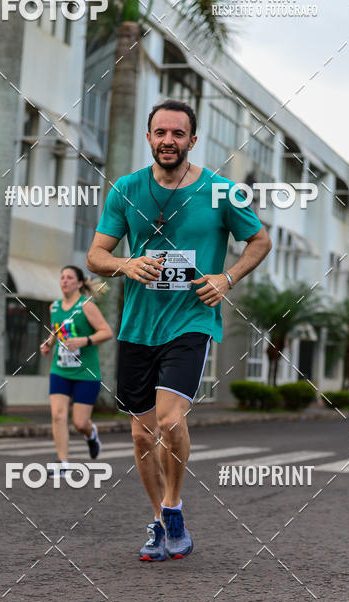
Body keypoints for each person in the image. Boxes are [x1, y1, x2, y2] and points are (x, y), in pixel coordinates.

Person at [86, 99, 271, 561]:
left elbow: (260, 240)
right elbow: (96, 256)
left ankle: (173, 509)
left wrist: (226, 278)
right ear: (149, 138)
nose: (168, 140)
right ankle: (158, 522)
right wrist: (126, 264)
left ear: (193, 139)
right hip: (137, 325)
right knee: (141, 434)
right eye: (160, 133)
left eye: (178, 134)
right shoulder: (125, 189)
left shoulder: (222, 191)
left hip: (191, 319)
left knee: (170, 420)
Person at [40, 265, 113, 475]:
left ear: (79, 283)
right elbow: (57, 331)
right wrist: (48, 343)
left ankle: (91, 435)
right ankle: (63, 463)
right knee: (58, 415)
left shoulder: (86, 306)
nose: (64, 281)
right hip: (60, 369)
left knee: (80, 423)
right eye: (62, 277)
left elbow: (106, 332)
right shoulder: (54, 307)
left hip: (86, 372)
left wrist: (84, 340)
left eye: (69, 277)